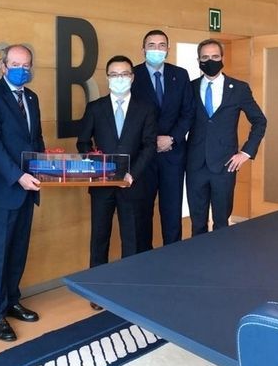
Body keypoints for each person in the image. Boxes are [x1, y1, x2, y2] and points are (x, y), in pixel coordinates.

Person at [0, 44, 45, 342]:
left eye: (26, 64)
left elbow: (36, 138)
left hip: (29, 187)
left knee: (18, 249)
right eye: (15, 64)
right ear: (3, 66)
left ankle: (12, 300)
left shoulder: (32, 97)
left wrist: (44, 167)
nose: (21, 69)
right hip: (2, 189)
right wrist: (18, 176)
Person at [76, 55, 157, 273]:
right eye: (114, 74)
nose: (119, 78)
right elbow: (83, 142)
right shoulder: (95, 108)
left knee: (132, 238)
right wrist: (95, 166)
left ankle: (130, 282)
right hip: (102, 184)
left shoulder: (146, 108)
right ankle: (96, 283)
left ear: (132, 77)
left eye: (124, 74)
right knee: (99, 237)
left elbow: (149, 145)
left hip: (132, 183)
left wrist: (132, 174)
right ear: (107, 78)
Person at [186, 39, 267, 236]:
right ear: (198, 60)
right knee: (197, 222)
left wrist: (245, 152)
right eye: (205, 57)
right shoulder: (189, 88)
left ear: (222, 58)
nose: (210, 61)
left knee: (222, 222)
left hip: (225, 165)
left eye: (215, 56)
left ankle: (221, 255)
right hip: (195, 164)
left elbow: (259, 121)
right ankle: (199, 255)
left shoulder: (239, 88)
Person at [131, 30, 194, 249]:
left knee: (172, 212)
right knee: (142, 213)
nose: (156, 49)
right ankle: (143, 259)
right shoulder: (132, 75)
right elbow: (129, 115)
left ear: (168, 49)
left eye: (161, 45)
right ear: (143, 49)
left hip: (173, 155)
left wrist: (172, 138)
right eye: (151, 45)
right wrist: (151, 142)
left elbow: (188, 113)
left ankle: (173, 258)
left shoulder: (180, 75)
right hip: (143, 157)